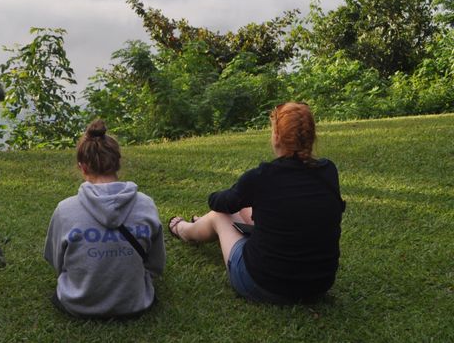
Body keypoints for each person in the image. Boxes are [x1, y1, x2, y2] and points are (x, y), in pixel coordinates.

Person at [169, 102, 345, 303]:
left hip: (265, 284)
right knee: (247, 207)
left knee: (219, 216)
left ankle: (184, 229)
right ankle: (204, 225)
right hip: (319, 285)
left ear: (277, 136)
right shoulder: (328, 170)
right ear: (311, 137)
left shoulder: (262, 176)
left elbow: (220, 203)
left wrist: (217, 196)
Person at [44, 120, 165, 318]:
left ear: (82, 167)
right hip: (136, 302)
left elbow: (56, 261)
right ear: (118, 163)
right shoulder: (146, 204)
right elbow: (156, 264)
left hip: (77, 303)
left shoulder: (65, 210)